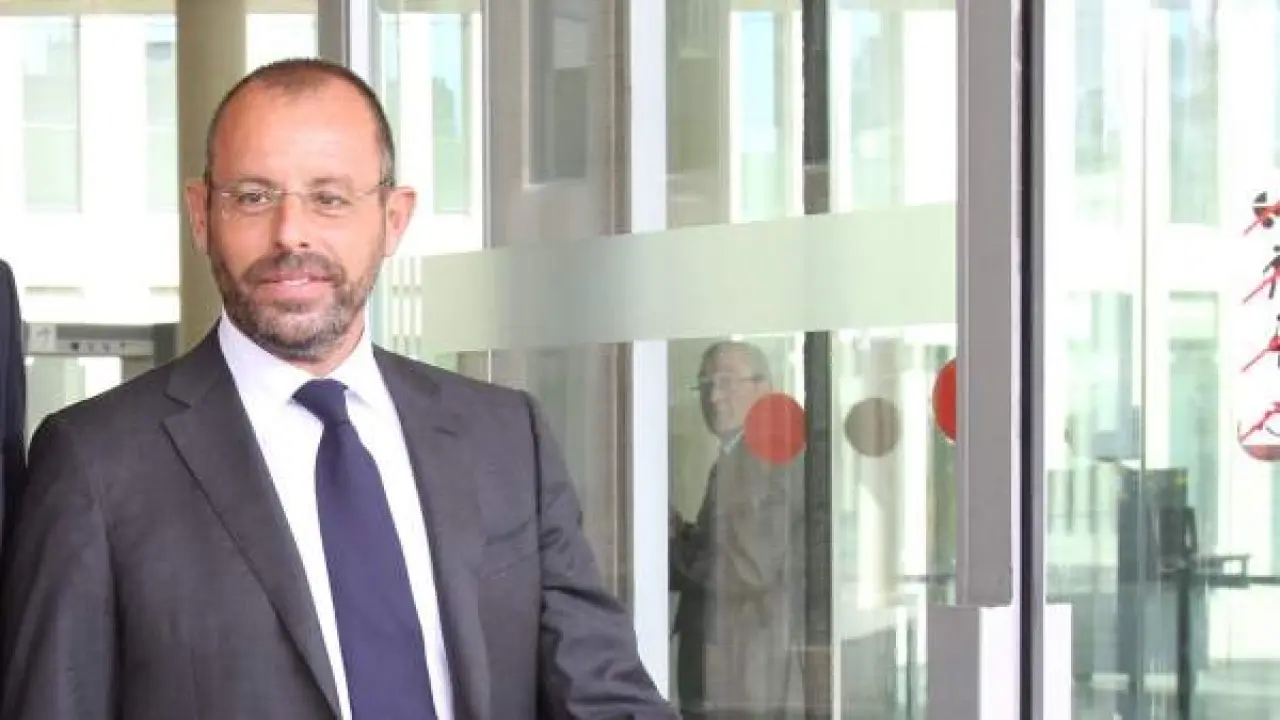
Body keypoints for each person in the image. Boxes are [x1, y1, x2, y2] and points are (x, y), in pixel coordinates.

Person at [0, 58, 673, 720]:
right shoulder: (96, 463)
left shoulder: (505, 438)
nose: (290, 233)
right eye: (253, 197)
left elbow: (603, 696)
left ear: (393, 218)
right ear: (202, 215)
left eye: (329, 198)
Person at [669, 341, 806, 718]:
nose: (714, 397)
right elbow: (731, 542)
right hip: (735, 663)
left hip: (740, 667)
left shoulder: (763, 455)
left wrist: (669, 549)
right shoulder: (740, 454)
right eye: (706, 384)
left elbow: (747, 567)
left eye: (727, 382)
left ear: (765, 388)